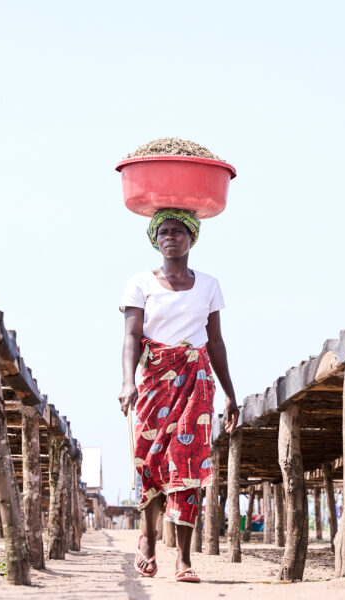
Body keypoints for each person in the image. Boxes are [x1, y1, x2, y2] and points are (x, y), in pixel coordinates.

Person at [118, 208, 239, 584]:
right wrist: (127, 382)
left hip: (196, 381)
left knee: (188, 466)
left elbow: (216, 342)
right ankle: (148, 542)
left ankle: (184, 559)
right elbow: (130, 338)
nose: (171, 237)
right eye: (164, 232)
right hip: (154, 380)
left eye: (178, 231)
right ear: (156, 239)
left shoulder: (209, 285)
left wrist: (230, 394)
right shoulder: (140, 283)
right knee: (151, 462)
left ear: (192, 238)